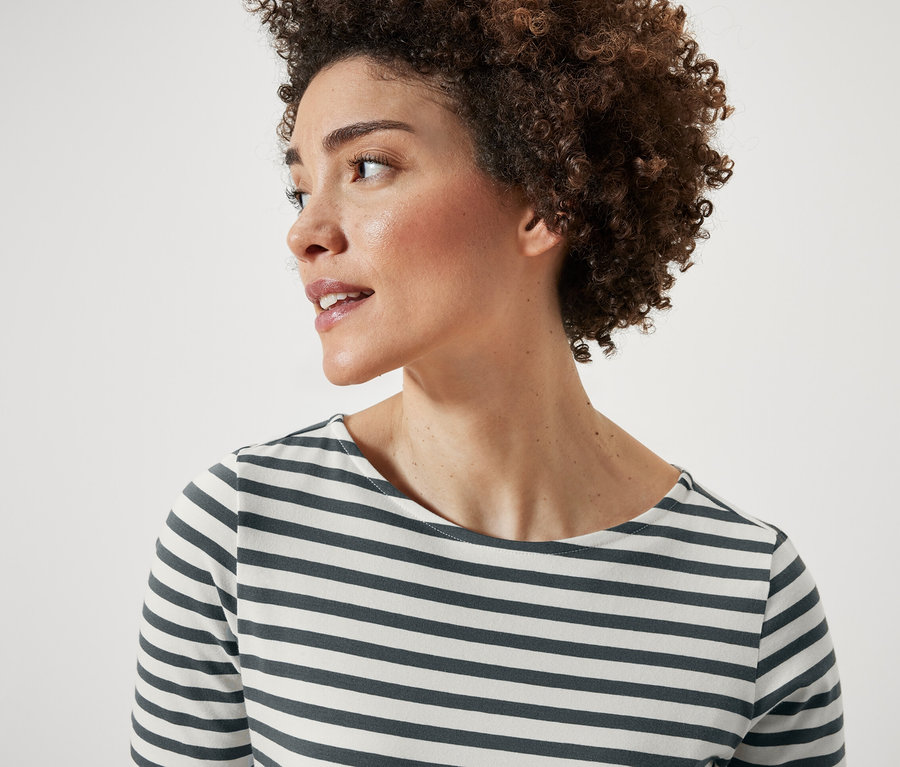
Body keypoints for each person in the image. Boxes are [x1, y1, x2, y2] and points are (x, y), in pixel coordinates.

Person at [130, 1, 845, 764]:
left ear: (543, 198)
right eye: (300, 187)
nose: (305, 231)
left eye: (367, 166)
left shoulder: (749, 594)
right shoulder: (238, 531)